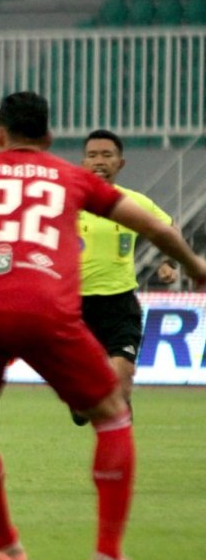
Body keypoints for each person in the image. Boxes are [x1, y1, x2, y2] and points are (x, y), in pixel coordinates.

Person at [0, 91, 206, 560]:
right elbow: (155, 228)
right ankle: (107, 556)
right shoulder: (72, 177)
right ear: (50, 138)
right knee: (112, 415)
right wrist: (196, 266)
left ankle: (9, 546)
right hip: (46, 309)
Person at [73, 129, 180, 425]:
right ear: (83, 162)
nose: (99, 161)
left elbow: (170, 228)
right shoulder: (67, 204)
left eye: (107, 155)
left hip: (120, 306)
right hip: (74, 309)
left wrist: (169, 260)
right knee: (84, 408)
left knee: (121, 381)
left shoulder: (134, 203)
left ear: (121, 163)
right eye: (93, 155)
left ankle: (119, 419)